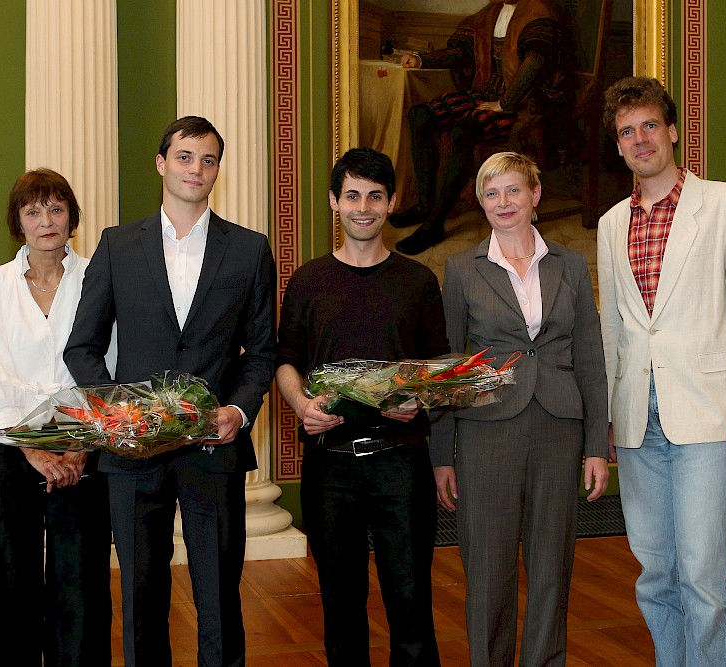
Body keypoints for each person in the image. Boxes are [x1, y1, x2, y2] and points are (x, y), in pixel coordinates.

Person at [64, 116, 276, 666]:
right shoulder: (116, 246)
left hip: (213, 448)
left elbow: (263, 352)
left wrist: (237, 408)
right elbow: (81, 347)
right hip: (134, 453)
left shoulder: (250, 250)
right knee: (140, 596)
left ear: (217, 172)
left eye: (207, 160)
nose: (195, 169)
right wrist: (119, 413)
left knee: (219, 595)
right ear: (162, 164)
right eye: (185, 157)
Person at [597, 76, 726, 665]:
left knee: (703, 573)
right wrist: (608, 419)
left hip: (708, 413)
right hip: (636, 420)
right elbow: (613, 332)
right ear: (618, 145)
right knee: (655, 571)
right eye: (627, 131)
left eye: (649, 125)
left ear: (672, 131)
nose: (640, 139)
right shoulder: (610, 223)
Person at [432, 151, 608, 666]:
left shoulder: (571, 265)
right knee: (487, 570)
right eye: (492, 193)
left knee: (553, 567)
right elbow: (448, 366)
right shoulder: (462, 270)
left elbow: (590, 358)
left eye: (513, 190)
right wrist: (442, 454)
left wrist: (597, 445)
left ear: (535, 195)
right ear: (482, 203)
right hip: (486, 432)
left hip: (559, 428)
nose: (503, 202)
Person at [276, 148, 449, 666]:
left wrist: (417, 400)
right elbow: (286, 360)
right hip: (331, 466)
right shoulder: (308, 281)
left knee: (411, 604)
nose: (363, 207)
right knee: (341, 607)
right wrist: (302, 405)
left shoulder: (418, 282)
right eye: (352, 195)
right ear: (334, 202)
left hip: (402, 463)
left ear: (391, 202)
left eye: (375, 196)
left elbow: (437, 371)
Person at [0, 168, 112, 666]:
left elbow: (108, 369)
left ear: (72, 217)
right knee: (5, 581)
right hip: (9, 447)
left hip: (82, 447)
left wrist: (77, 446)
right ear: (18, 222)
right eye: (33, 211)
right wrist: (32, 447)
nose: (45, 220)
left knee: (81, 583)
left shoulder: (99, 277)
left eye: (56, 209)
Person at [392, 0, 573, 255]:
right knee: (420, 114)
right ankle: (424, 204)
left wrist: (505, 103)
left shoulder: (538, 12)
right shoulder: (490, 14)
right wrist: (422, 60)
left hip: (521, 104)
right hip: (486, 92)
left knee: (462, 131)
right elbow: (461, 54)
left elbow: (535, 63)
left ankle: (435, 223)